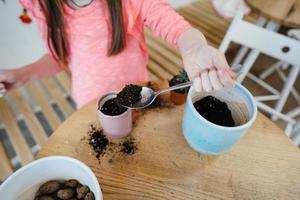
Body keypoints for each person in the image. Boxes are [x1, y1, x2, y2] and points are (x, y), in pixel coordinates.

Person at [0, 0, 236, 108]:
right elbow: (58, 57)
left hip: (139, 95)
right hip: (88, 103)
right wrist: (21, 75)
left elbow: (172, 24)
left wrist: (194, 48)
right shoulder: (42, 5)